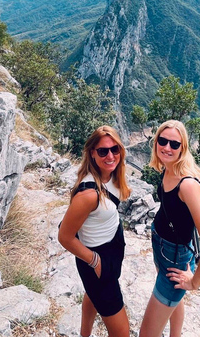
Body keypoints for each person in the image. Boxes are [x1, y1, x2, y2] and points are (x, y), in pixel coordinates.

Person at [139, 120, 200, 337]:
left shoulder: (188, 185)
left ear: (182, 148)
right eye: (162, 141)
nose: (167, 147)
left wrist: (194, 282)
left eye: (174, 144)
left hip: (175, 256)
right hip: (161, 245)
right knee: (174, 302)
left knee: (146, 334)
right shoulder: (168, 169)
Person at [58, 126, 132, 337]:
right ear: (92, 153)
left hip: (111, 248)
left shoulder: (111, 176)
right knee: (122, 333)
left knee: (91, 295)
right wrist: (95, 261)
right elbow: (64, 236)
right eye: (102, 151)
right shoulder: (88, 194)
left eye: (115, 149)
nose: (110, 155)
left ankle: (85, 334)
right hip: (97, 258)